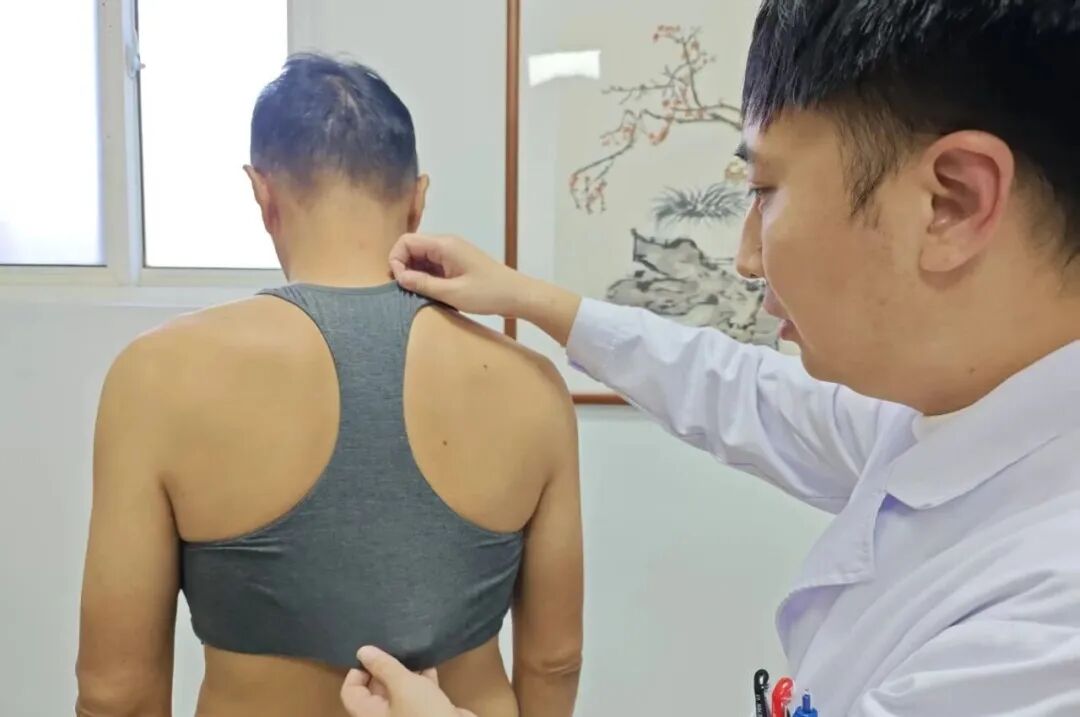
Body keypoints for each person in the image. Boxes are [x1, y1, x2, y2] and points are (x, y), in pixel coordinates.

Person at [347, 1, 1080, 715]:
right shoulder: (958, 418)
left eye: (766, 190)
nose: (747, 257)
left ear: (952, 201)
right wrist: (530, 297)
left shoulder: (1049, 628)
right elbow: (741, 392)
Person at [75, 54, 583, 717]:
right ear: (417, 201)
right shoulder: (533, 387)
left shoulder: (155, 377)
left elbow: (114, 692)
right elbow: (553, 659)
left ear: (263, 195)